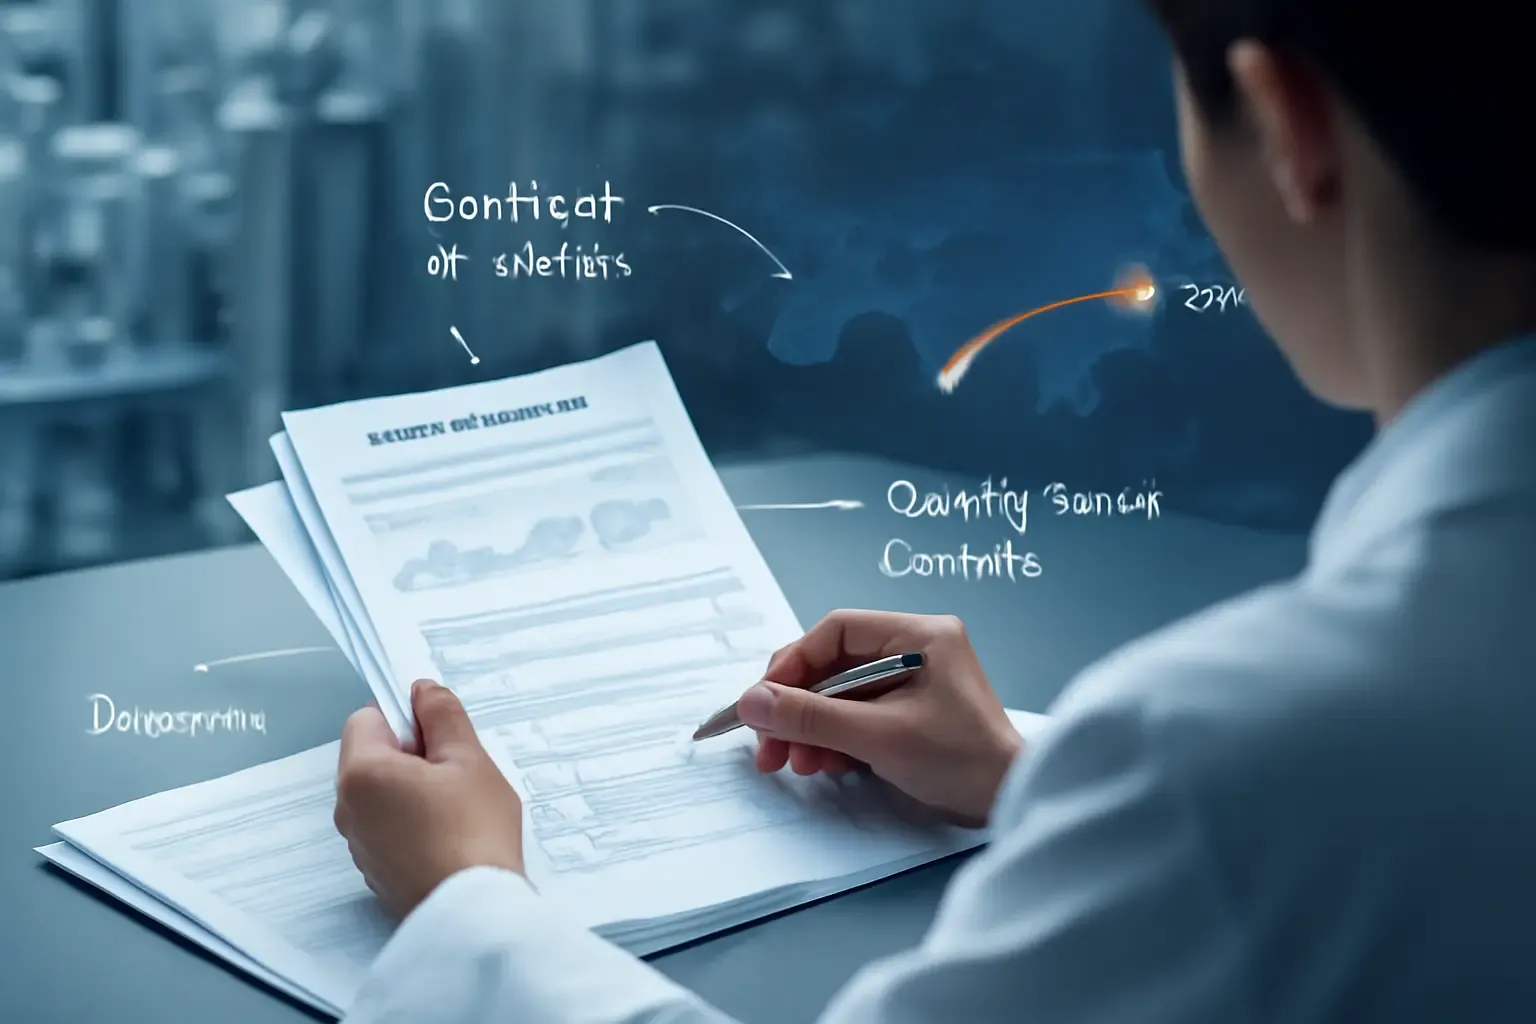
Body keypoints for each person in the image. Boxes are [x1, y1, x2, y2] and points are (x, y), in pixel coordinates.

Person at [334, 1, 1536, 1020]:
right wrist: (1038, 777)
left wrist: (465, 905)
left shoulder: (1237, 752)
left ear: (1289, 126)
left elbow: (1288, 806)